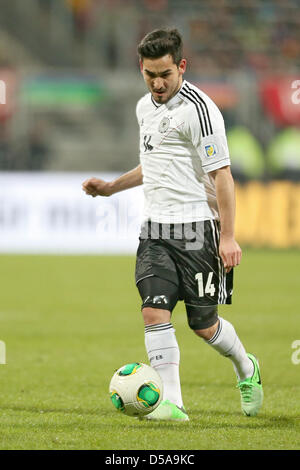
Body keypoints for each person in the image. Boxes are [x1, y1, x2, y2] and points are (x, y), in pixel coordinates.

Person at [82, 28, 263, 421]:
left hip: (197, 228)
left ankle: (247, 367)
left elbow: (223, 176)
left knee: (204, 325)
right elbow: (155, 165)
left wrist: (228, 235)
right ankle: (172, 403)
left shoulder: (200, 110)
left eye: (165, 73)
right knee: (153, 311)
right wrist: (112, 188)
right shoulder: (143, 108)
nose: (158, 83)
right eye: (150, 75)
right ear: (141, 69)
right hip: (155, 230)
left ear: (181, 66)